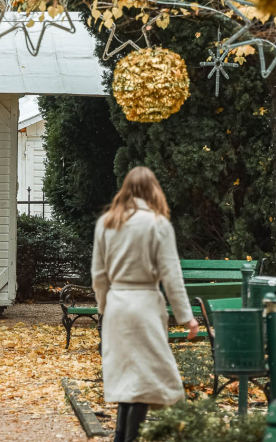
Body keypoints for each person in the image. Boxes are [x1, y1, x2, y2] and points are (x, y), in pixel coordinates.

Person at [92, 166, 198, 442]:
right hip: (145, 305)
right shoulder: (157, 224)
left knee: (130, 376)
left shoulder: (106, 223)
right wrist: (186, 317)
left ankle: (121, 438)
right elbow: (171, 274)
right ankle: (129, 439)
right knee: (143, 378)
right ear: (153, 190)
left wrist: (104, 309)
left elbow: (99, 275)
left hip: (117, 304)